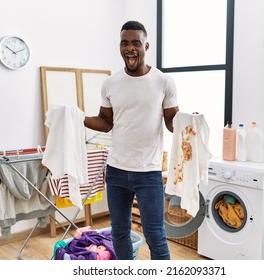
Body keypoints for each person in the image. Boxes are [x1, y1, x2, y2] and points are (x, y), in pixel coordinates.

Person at [84, 20, 179, 260]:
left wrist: (188, 121)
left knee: (155, 234)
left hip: (148, 172)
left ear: (146, 46)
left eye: (136, 43)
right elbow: (106, 122)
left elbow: (171, 123)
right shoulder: (111, 83)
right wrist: (77, 118)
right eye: (124, 43)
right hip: (116, 170)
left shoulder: (163, 82)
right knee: (119, 233)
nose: (130, 48)